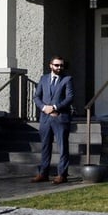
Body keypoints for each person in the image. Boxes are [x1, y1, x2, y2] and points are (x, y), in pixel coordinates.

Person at [32, 55, 75, 184]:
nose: (59, 67)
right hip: (45, 118)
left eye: (61, 65)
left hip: (60, 118)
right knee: (45, 146)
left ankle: (62, 174)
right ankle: (43, 173)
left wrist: (55, 107)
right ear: (51, 65)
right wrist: (44, 107)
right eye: (56, 65)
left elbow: (69, 97)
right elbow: (36, 97)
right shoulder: (43, 79)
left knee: (62, 147)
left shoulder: (67, 79)